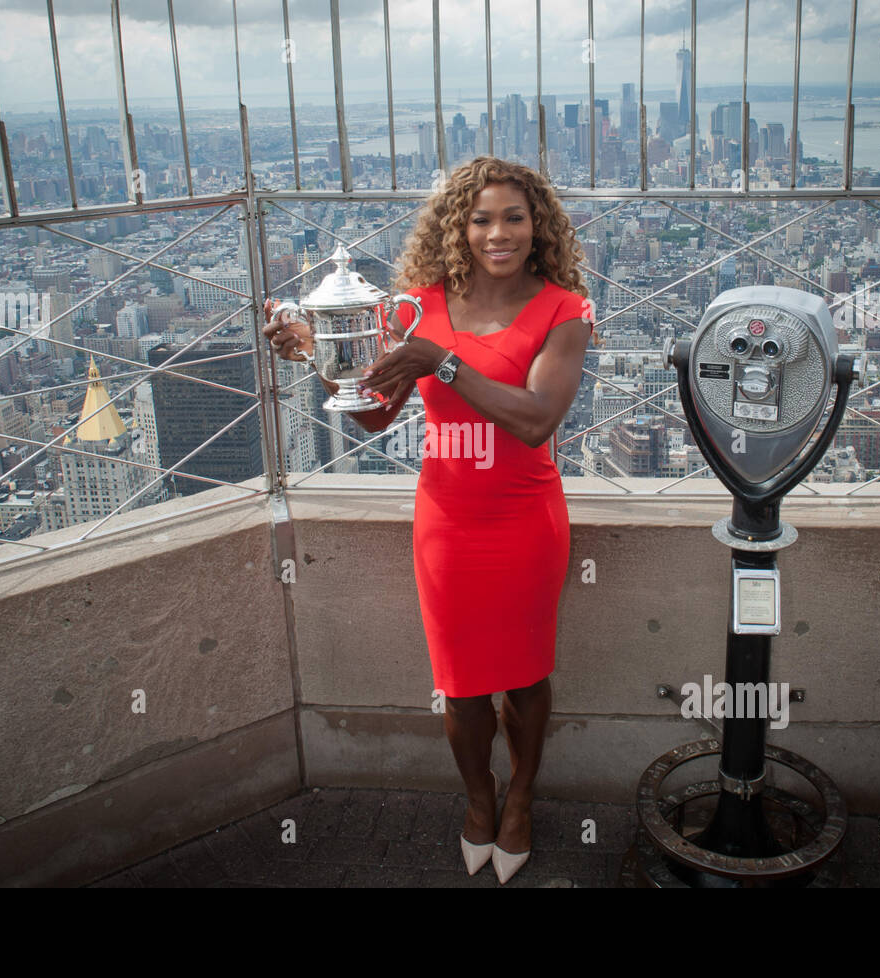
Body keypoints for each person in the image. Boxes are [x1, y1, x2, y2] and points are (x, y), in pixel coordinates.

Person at [263, 156, 598, 884]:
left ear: (537, 222)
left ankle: (521, 800)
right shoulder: (417, 305)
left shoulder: (562, 309)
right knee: (463, 683)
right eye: (481, 219)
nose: (498, 232)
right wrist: (320, 357)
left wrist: (441, 364)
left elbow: (537, 420)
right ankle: (480, 800)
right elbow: (376, 416)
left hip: (524, 518)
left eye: (514, 216)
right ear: (459, 227)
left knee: (526, 677)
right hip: (446, 521)